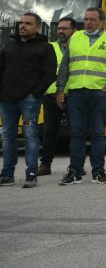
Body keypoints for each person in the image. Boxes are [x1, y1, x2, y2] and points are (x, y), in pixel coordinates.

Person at [57, 7, 106, 185]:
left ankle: (98, 172)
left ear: (101, 22)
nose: (88, 22)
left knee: (97, 133)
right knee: (76, 133)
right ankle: (75, 171)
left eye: (92, 20)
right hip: (76, 92)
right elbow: (65, 66)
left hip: (99, 93)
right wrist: (60, 90)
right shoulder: (76, 37)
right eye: (86, 19)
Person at [0, 12, 56, 188]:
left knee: (30, 135)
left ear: (37, 27)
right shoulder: (8, 45)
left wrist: (35, 93)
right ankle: (7, 175)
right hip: (6, 98)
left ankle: (31, 174)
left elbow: (49, 74)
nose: (22, 26)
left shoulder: (45, 47)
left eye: (28, 23)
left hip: (29, 99)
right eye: (21, 23)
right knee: (8, 135)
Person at [39, 16, 75, 176]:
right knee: (49, 132)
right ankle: (45, 165)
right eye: (59, 28)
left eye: (64, 28)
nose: (60, 31)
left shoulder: (80, 48)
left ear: (74, 31)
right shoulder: (49, 47)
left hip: (74, 95)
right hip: (51, 95)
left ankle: (76, 165)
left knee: (77, 132)